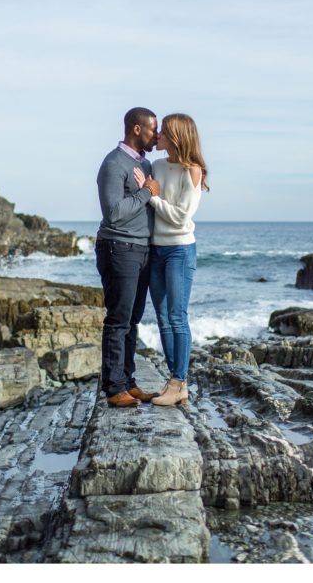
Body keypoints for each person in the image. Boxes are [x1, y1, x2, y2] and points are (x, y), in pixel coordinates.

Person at [133, 113, 208, 406]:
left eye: (163, 131)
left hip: (179, 249)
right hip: (155, 250)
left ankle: (180, 382)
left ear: (177, 136)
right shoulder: (157, 165)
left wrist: (150, 195)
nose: (158, 135)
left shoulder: (193, 171)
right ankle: (173, 382)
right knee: (163, 318)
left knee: (178, 316)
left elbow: (180, 217)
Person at [95, 107, 164, 408]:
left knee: (132, 320)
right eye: (153, 128)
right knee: (118, 319)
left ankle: (128, 381)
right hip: (118, 248)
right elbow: (113, 213)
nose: (156, 134)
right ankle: (113, 389)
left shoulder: (146, 163)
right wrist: (146, 192)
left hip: (142, 249)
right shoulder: (113, 164)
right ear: (137, 129)